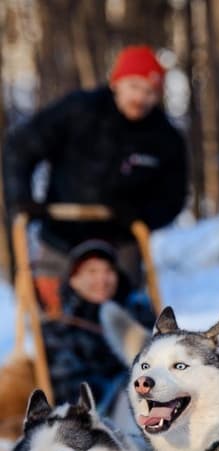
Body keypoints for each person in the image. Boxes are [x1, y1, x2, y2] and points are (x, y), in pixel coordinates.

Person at [3, 45, 187, 311]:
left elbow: (173, 198)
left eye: (149, 92)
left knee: (122, 320)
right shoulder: (79, 111)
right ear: (117, 83)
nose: (141, 98)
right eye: (134, 86)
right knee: (53, 317)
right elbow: (20, 146)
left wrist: (142, 214)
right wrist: (21, 197)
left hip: (121, 243)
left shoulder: (165, 137)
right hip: (61, 233)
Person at [42, 239, 156, 414]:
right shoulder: (60, 330)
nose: (102, 279)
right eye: (92, 271)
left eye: (108, 270)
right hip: (97, 414)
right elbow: (70, 389)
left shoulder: (140, 315)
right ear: (74, 280)